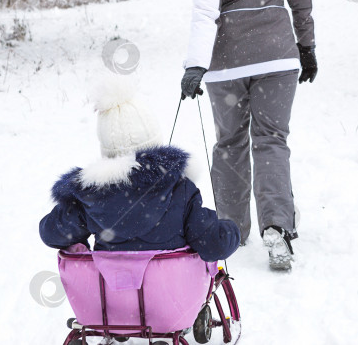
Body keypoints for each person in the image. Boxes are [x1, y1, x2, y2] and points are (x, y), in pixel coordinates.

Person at [180, 0, 317, 271]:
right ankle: (277, 227)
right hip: (278, 56)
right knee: (272, 139)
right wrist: (306, 46)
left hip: (227, 62)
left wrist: (195, 65)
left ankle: (231, 231)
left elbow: (205, 10)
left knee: (230, 143)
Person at [39, 76, 240, 263]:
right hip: (172, 296)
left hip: (111, 296)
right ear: (155, 143)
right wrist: (231, 229)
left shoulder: (90, 198)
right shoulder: (180, 189)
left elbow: (51, 233)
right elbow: (215, 245)